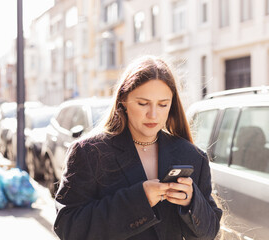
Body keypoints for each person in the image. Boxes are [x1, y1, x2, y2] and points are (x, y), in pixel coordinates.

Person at [53, 55, 222, 240]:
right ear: (123, 100)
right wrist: (139, 201)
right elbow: (67, 227)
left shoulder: (192, 156)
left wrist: (192, 202)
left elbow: (210, 232)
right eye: (143, 104)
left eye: (163, 104)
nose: (153, 114)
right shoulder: (89, 152)